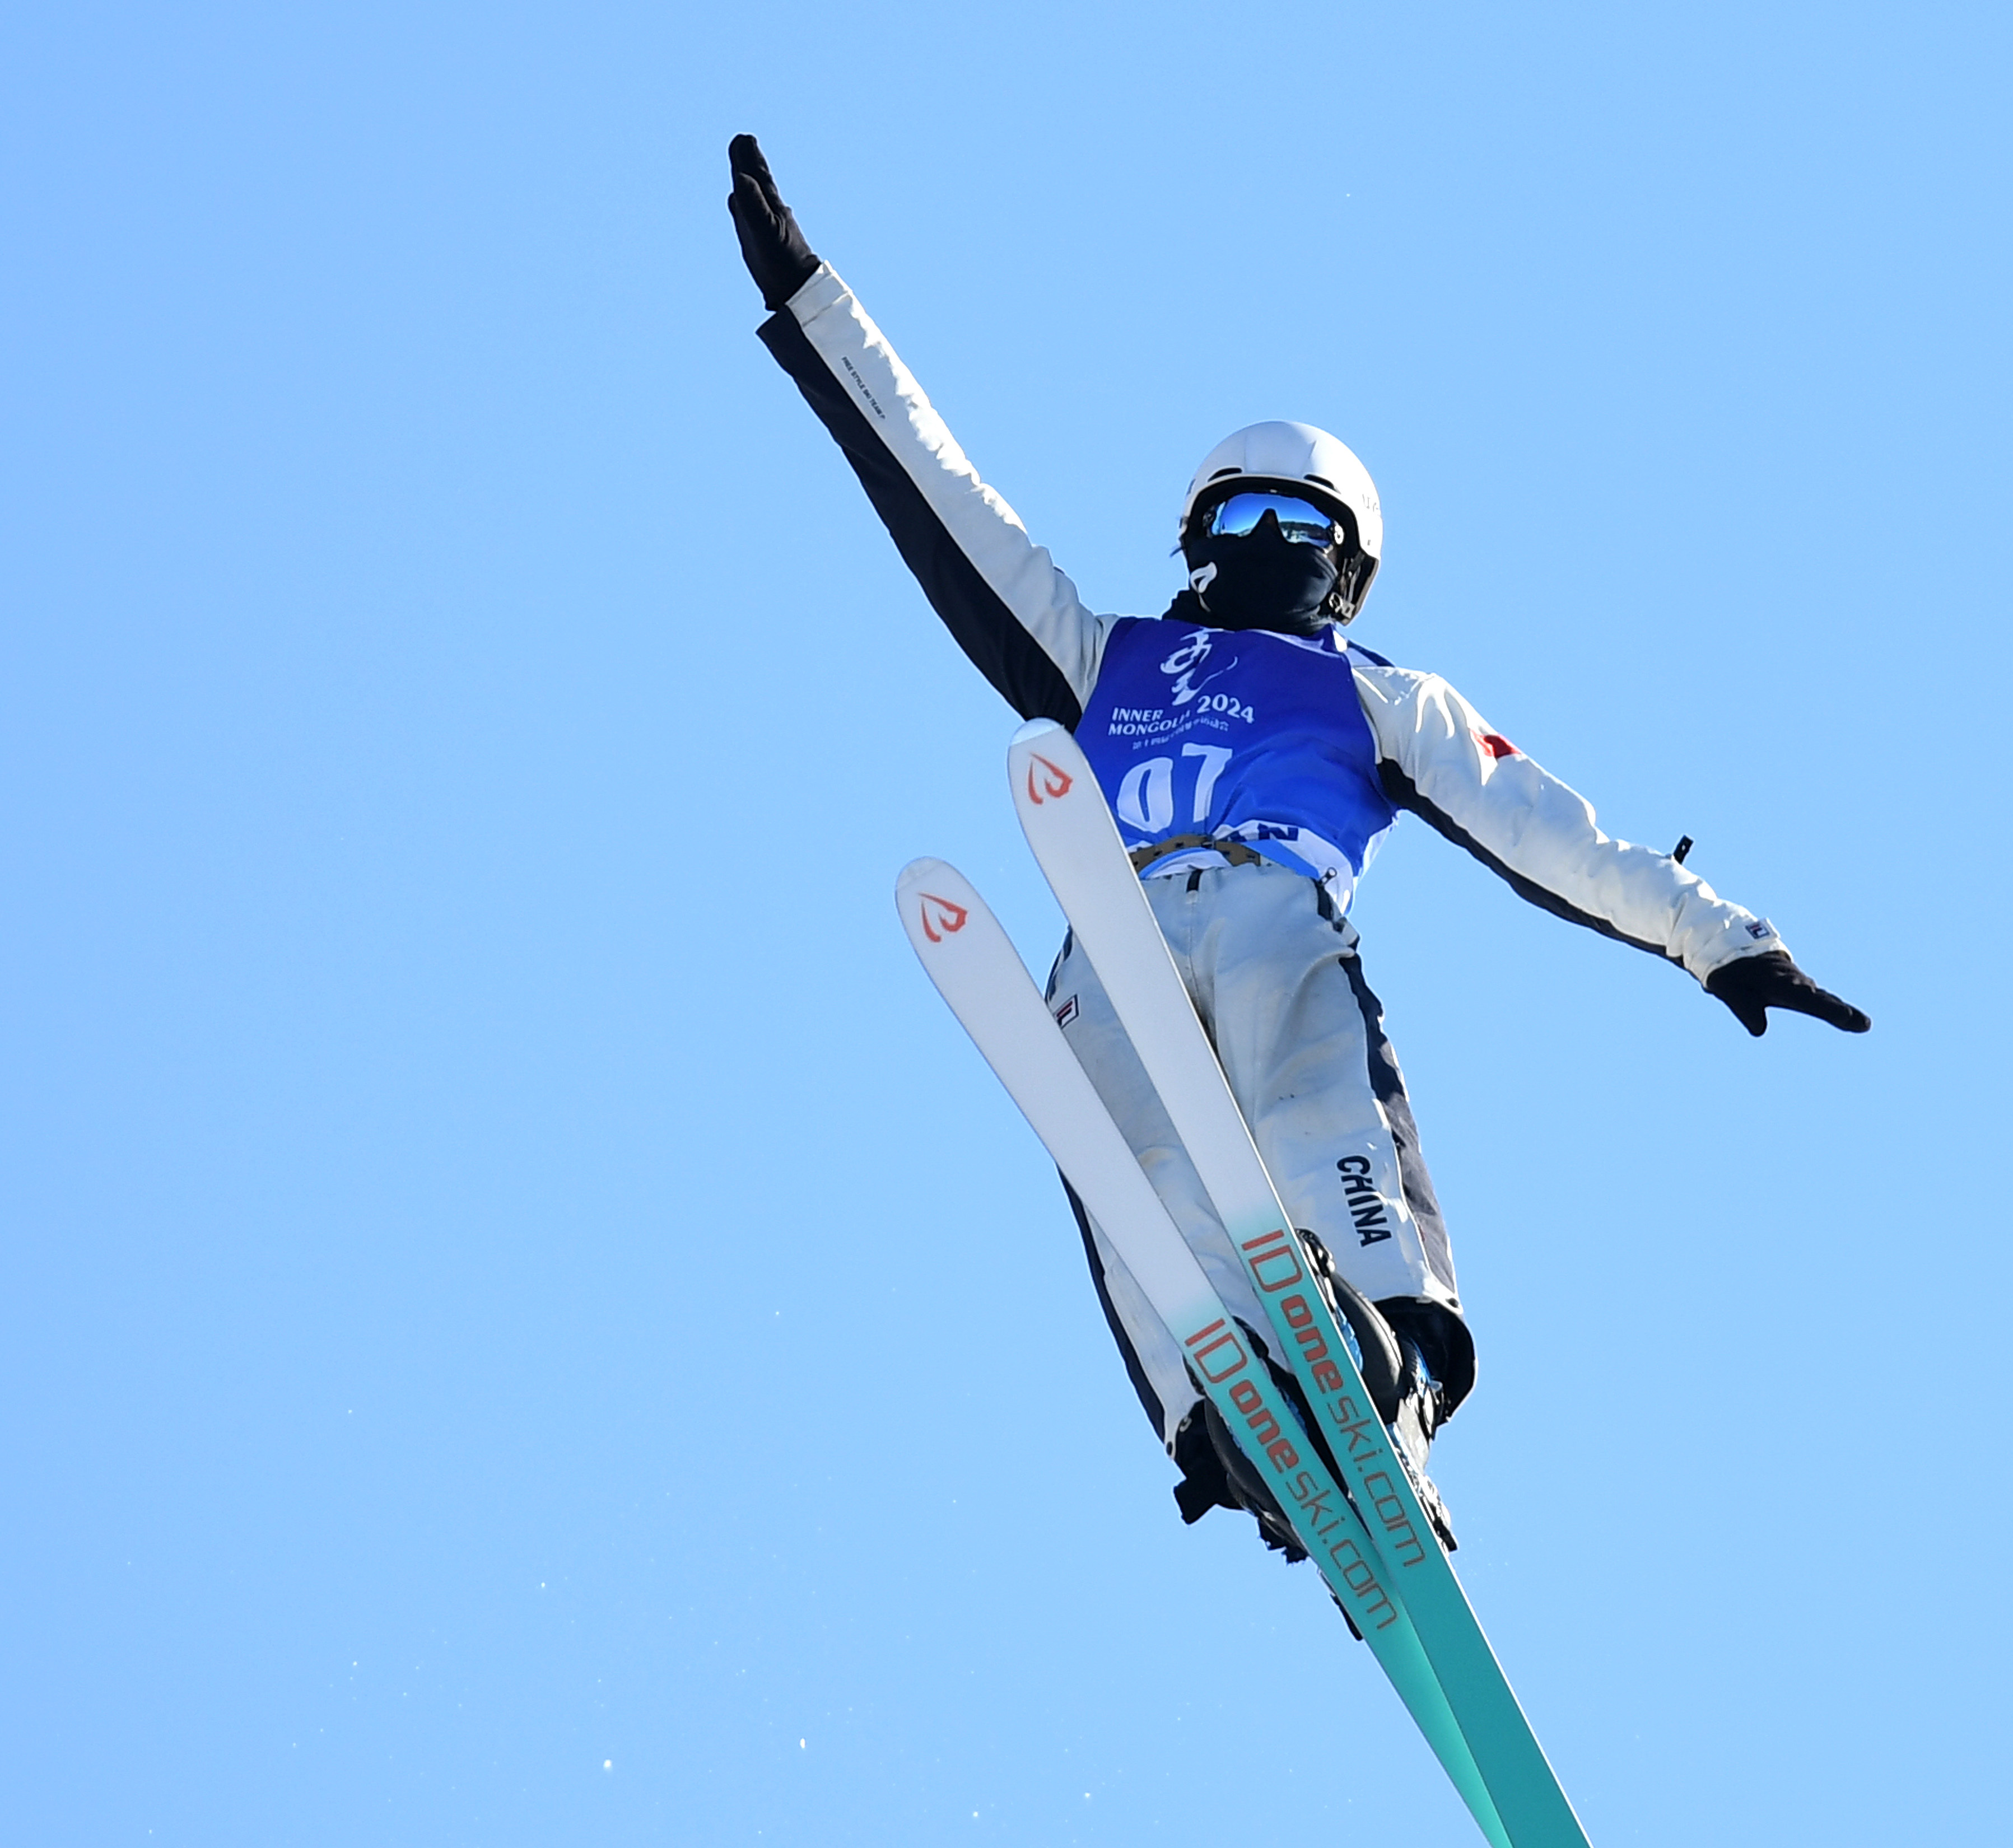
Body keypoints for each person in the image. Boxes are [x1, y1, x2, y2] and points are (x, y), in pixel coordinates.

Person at [726, 134, 1868, 1557]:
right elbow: (952, 503)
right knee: (1133, 1179)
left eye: (1306, 529)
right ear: (1198, 539)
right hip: (1115, 920)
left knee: (1327, 1114)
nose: (1275, 543)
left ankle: (1382, 1362)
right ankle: (1237, 1422)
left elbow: (1551, 835)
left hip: (1275, 907)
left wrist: (1719, 937)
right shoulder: (1102, 658)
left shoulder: (1377, 693)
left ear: (1350, 571)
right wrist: (814, 306)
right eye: (1246, 517)